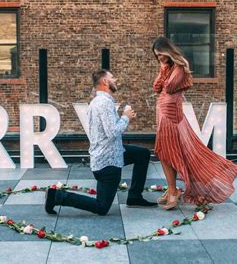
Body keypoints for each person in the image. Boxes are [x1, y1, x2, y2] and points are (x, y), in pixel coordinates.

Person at [45, 69, 156, 215]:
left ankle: (135, 196)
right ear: (105, 81)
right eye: (112, 77)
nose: (115, 80)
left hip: (112, 152)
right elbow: (112, 132)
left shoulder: (99, 101)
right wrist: (126, 117)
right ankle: (57, 196)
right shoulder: (104, 103)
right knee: (101, 207)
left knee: (142, 154)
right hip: (108, 162)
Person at [152, 37, 237, 210]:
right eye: (157, 56)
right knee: (164, 152)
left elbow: (169, 87)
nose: (160, 59)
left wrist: (163, 70)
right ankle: (171, 190)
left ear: (168, 50)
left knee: (171, 152)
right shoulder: (167, 67)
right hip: (162, 113)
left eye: (161, 54)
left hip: (171, 115)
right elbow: (156, 87)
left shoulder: (180, 66)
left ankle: (173, 191)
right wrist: (163, 69)